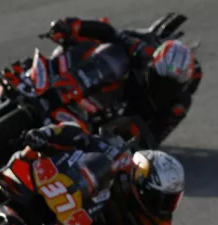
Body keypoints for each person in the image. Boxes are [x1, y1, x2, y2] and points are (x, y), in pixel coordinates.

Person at [19, 121, 185, 225]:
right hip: (79, 192)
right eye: (161, 198)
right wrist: (49, 134)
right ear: (141, 184)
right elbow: (85, 138)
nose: (166, 207)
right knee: (69, 135)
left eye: (172, 199)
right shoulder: (125, 163)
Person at [30, 16, 201, 148]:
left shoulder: (179, 104)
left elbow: (154, 138)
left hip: (118, 124)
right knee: (110, 51)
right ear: (152, 66)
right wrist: (75, 26)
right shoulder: (144, 53)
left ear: (183, 85)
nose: (163, 88)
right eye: (161, 80)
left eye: (171, 85)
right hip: (107, 89)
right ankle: (55, 85)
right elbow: (113, 33)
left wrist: (128, 147)